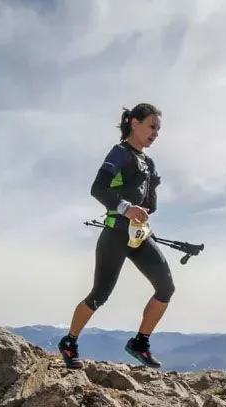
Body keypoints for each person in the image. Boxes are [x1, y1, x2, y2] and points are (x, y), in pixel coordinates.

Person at [57, 103, 174, 369]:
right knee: (100, 294)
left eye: (158, 129)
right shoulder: (119, 153)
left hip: (140, 235)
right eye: (152, 126)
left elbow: (150, 205)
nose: (156, 133)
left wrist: (149, 193)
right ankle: (69, 342)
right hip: (116, 233)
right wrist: (125, 207)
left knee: (166, 287)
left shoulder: (148, 161)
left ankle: (140, 343)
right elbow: (98, 188)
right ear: (135, 123)